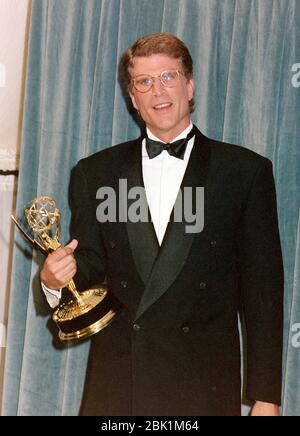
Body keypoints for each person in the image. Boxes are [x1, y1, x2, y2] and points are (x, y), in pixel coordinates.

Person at [41, 33, 284, 416]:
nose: (158, 90)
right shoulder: (97, 173)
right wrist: (55, 282)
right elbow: (89, 265)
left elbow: (263, 294)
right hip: (120, 381)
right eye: (144, 81)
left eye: (169, 77)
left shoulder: (243, 172)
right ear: (133, 99)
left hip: (204, 383)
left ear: (190, 86)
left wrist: (267, 397)